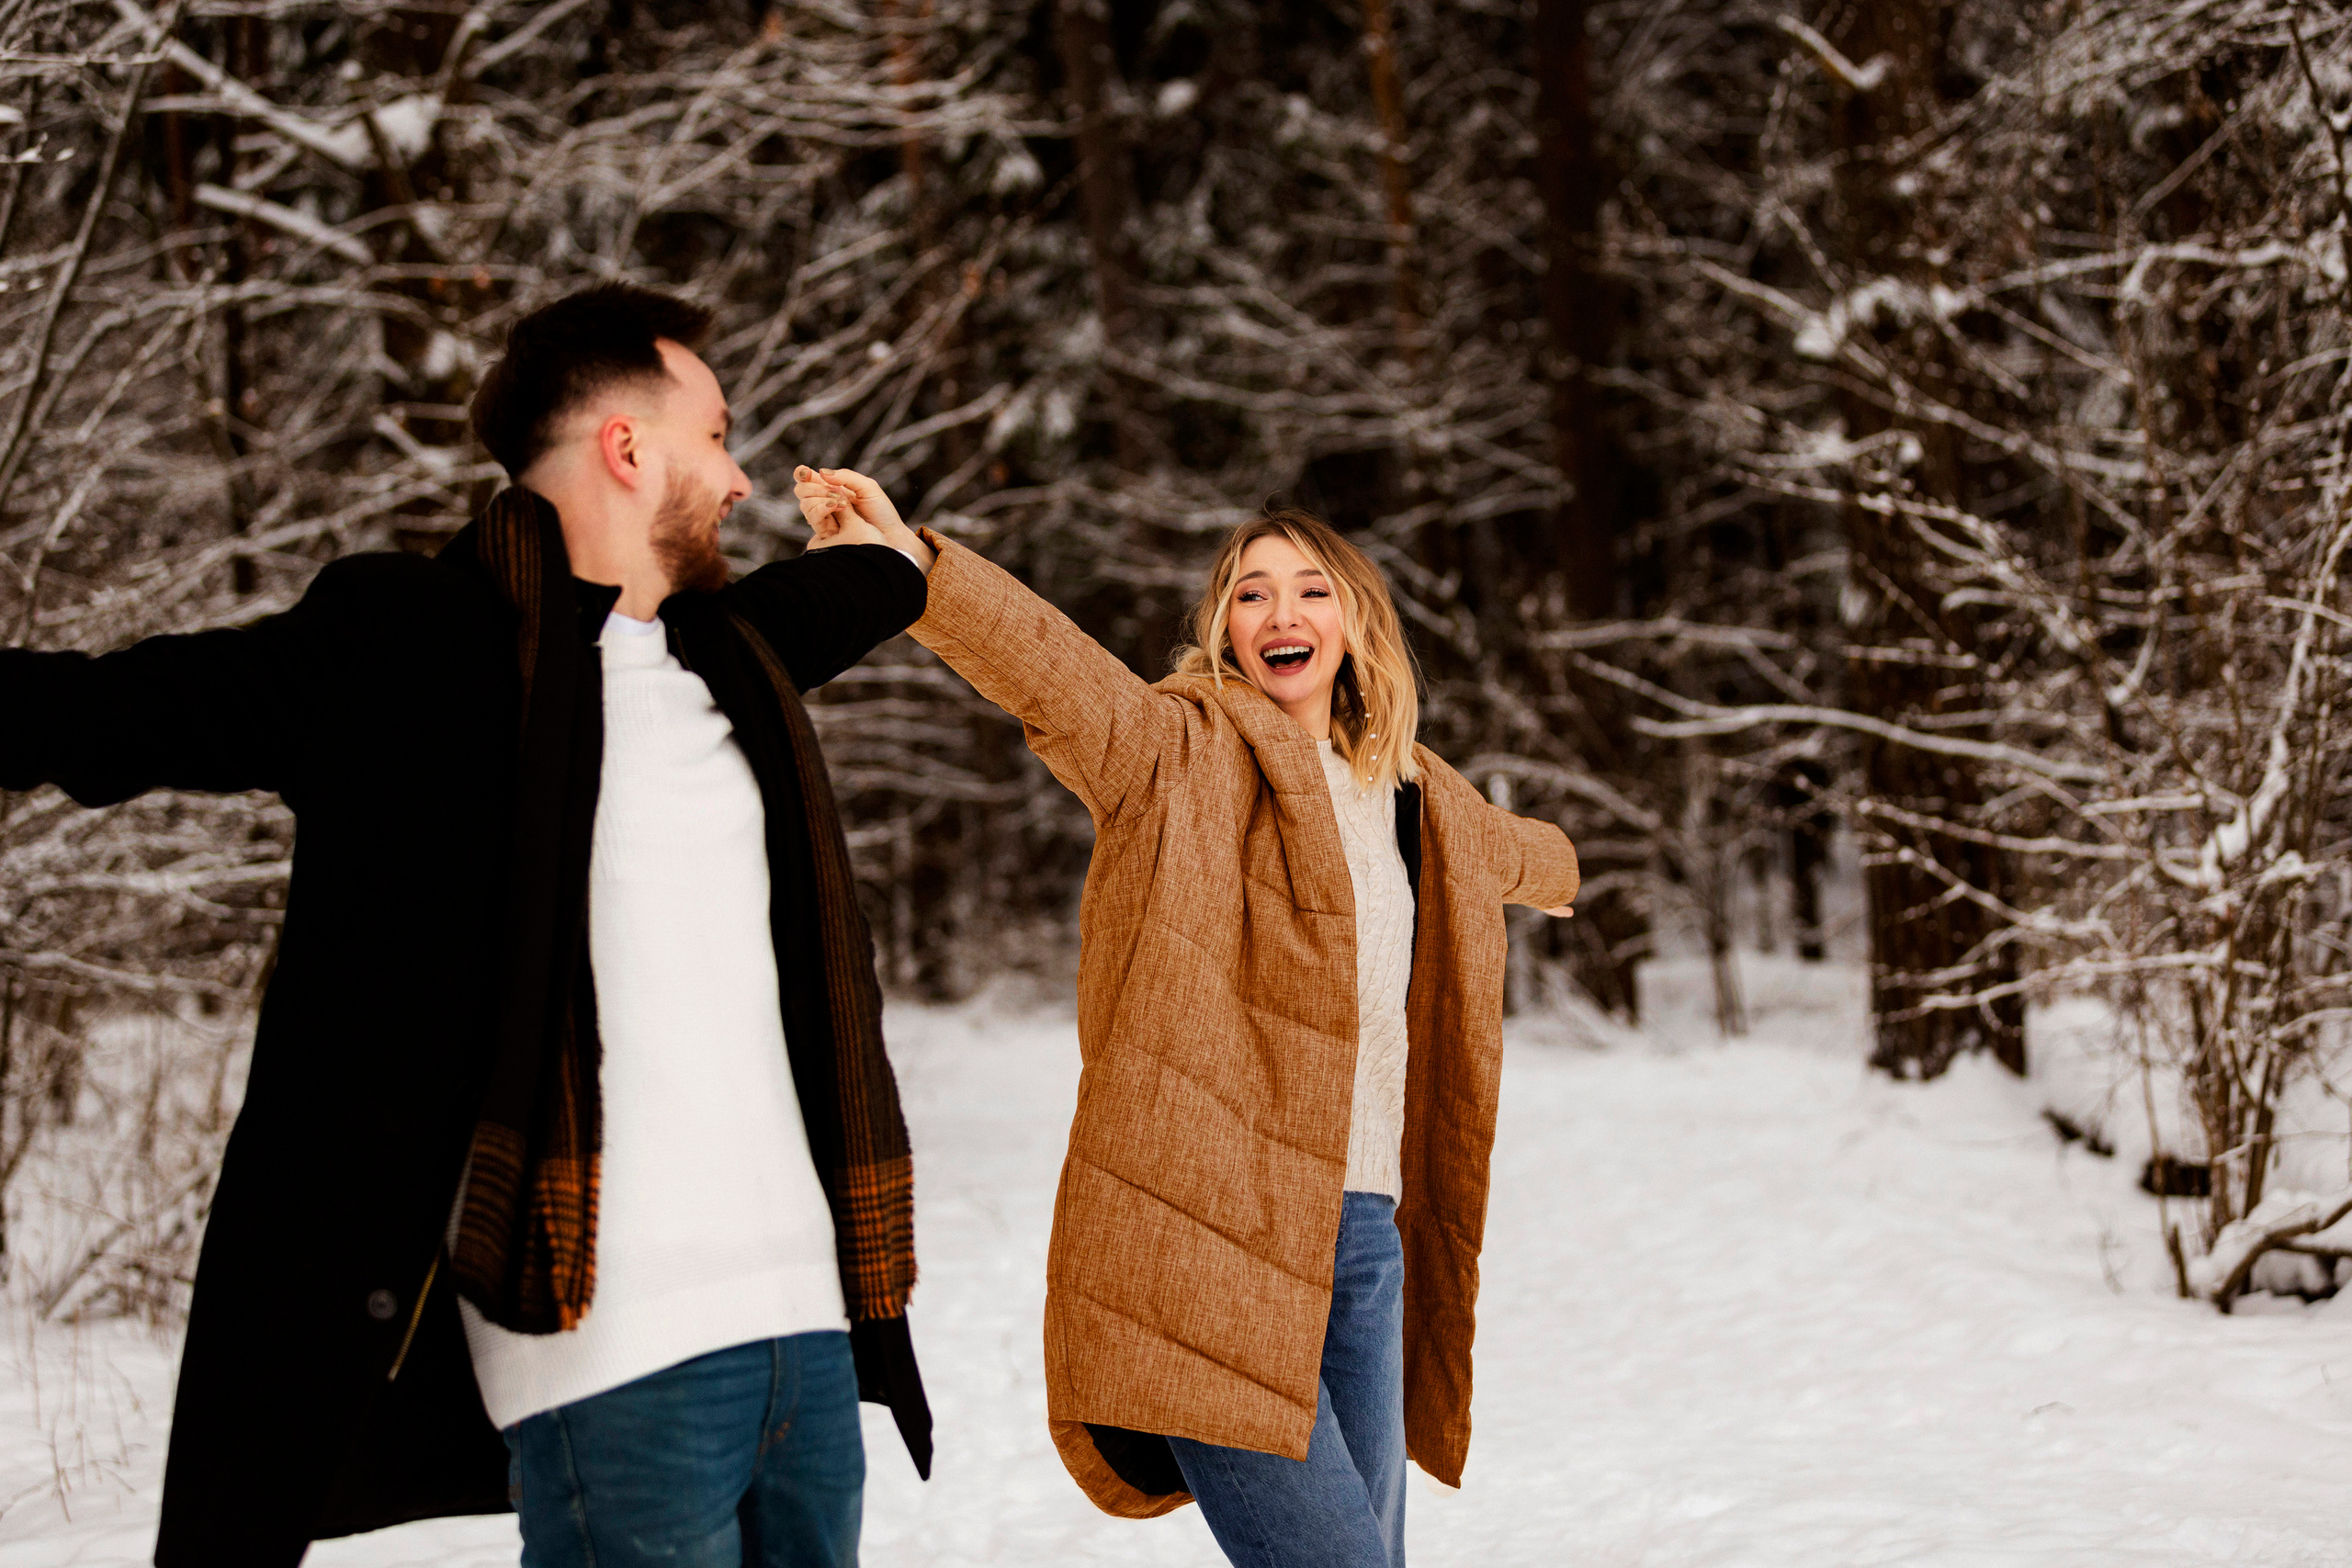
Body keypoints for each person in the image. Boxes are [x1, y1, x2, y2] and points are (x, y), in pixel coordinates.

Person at [0, 286, 933, 1568]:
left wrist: (896, 552)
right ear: (625, 445)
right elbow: (117, 710)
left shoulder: (731, 654)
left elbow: (867, 587)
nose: (738, 476)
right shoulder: (414, 646)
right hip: (615, 1353)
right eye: (717, 435)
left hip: (809, 1342)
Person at [793, 465, 1577, 1568]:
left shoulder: (1416, 795)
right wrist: (913, 566)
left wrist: (1568, 870)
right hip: (1206, 1236)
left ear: (1355, 622)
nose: (1279, 613)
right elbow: (1053, 674)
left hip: (1363, 1236)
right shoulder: (1173, 752)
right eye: (1249, 593)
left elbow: (1515, 854)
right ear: (1222, 627)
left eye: (1309, 589)